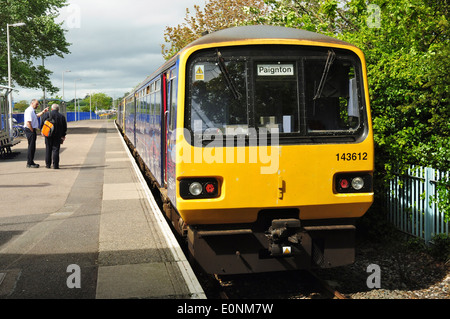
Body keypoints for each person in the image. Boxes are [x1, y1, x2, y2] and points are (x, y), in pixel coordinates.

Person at [40, 104, 67, 169]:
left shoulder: (46, 115)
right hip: (57, 136)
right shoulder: (61, 116)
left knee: (48, 149)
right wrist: (63, 135)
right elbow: (64, 127)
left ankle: (48, 165)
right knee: (56, 150)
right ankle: (55, 165)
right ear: (58, 109)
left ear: (51, 109)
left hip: (48, 135)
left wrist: (42, 131)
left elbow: (42, 124)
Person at [24, 99, 48, 168]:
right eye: (36, 104)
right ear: (32, 103)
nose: (37, 105)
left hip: (31, 130)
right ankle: (30, 163)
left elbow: (36, 116)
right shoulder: (29, 111)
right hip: (30, 130)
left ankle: (31, 161)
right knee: (31, 147)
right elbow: (28, 123)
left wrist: (43, 112)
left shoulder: (32, 111)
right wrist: (32, 131)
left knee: (32, 146)